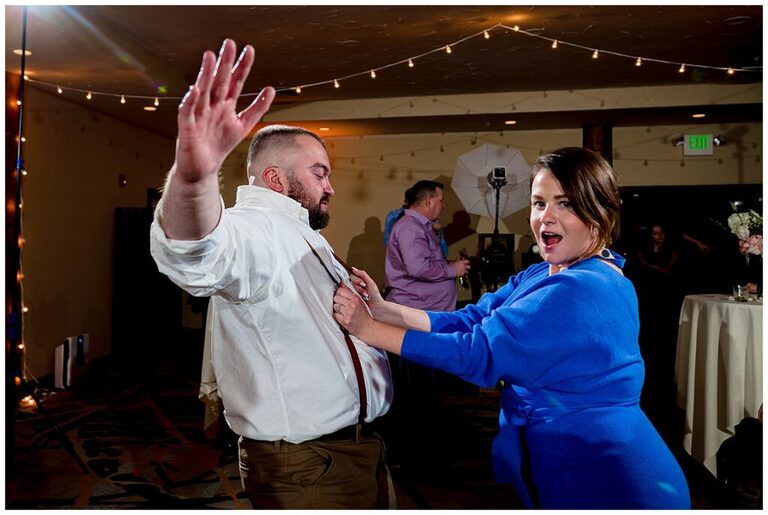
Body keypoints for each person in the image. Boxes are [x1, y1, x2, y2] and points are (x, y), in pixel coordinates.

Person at [332, 147, 691, 509]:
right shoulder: (544, 271)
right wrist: (384, 310)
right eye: (539, 203)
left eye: (565, 204)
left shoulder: (584, 287)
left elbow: (476, 351)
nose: (546, 217)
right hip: (563, 452)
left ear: (597, 213)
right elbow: (471, 319)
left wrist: (369, 329)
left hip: (606, 469)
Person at [149, 40, 394, 509]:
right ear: (276, 179)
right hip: (308, 465)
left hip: (354, 449)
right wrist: (192, 181)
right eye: (319, 173)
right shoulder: (255, 228)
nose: (331, 187)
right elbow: (196, 255)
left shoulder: (301, 231)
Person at [384, 180, 469, 311]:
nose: (444, 206)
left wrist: (447, 264)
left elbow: (424, 261)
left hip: (427, 309)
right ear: (428, 202)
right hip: (419, 309)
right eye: (441, 201)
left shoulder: (420, 226)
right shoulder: (410, 228)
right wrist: (452, 270)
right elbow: (418, 269)